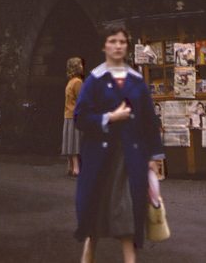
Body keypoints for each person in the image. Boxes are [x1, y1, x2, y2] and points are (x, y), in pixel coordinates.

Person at [74, 24, 164, 263]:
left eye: (122, 42)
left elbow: (149, 122)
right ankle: (87, 256)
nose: (117, 46)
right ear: (104, 45)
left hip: (130, 160)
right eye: (112, 41)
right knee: (95, 213)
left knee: (128, 215)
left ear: (127, 46)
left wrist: (154, 157)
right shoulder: (94, 80)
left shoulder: (136, 82)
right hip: (100, 160)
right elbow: (80, 118)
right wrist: (110, 118)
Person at [62, 56, 85, 177]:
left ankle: (70, 166)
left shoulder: (69, 82)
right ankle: (76, 167)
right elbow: (82, 99)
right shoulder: (77, 82)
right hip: (75, 114)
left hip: (67, 114)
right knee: (75, 142)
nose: (82, 67)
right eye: (80, 65)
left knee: (69, 141)